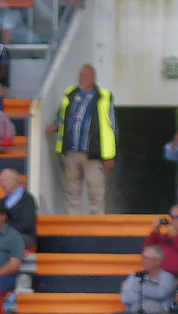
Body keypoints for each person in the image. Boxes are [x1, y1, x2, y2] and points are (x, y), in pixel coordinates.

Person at [48, 65, 114, 215]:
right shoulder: (70, 95)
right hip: (71, 151)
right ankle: (73, 220)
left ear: (93, 78)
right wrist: (56, 125)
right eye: (80, 75)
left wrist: (110, 155)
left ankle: (97, 220)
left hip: (92, 152)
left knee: (95, 188)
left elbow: (111, 128)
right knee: (72, 188)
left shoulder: (102, 98)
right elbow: (62, 116)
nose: (81, 78)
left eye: (84, 75)